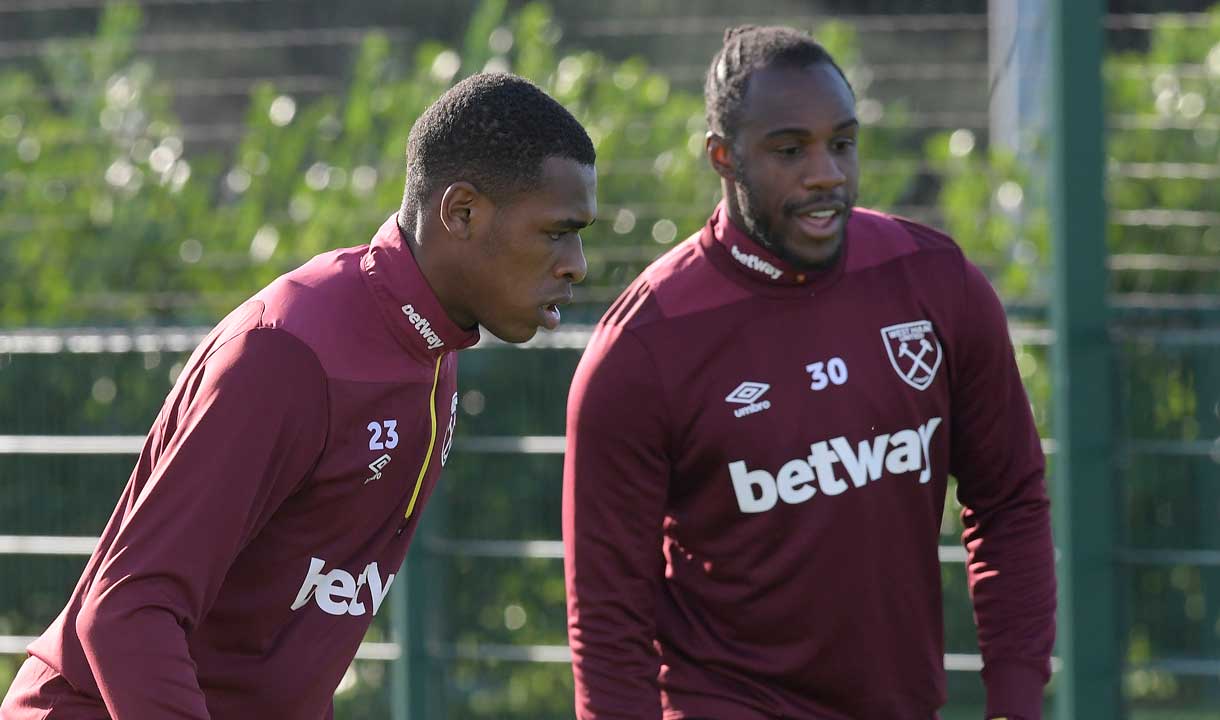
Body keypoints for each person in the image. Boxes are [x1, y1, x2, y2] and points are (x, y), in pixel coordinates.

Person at [1, 72, 596, 719]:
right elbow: (126, 610)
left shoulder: (433, 352)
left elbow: (288, 642)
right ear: (461, 213)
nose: (576, 263)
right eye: (556, 232)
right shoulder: (291, 352)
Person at [563, 25, 1054, 720]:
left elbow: (1008, 500)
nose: (826, 172)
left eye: (843, 143)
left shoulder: (934, 282)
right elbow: (607, 622)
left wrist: (1015, 695)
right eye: (790, 150)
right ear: (724, 157)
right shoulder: (643, 349)